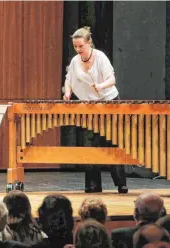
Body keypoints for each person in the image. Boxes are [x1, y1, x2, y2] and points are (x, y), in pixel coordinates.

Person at [63, 26, 127, 194]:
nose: (78, 50)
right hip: (90, 106)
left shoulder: (100, 58)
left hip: (109, 102)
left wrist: (100, 85)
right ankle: (93, 185)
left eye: (81, 47)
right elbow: (69, 80)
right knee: (90, 144)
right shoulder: (75, 61)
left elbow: (112, 79)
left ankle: (121, 183)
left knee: (113, 141)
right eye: (75, 47)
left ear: (88, 43)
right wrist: (68, 92)